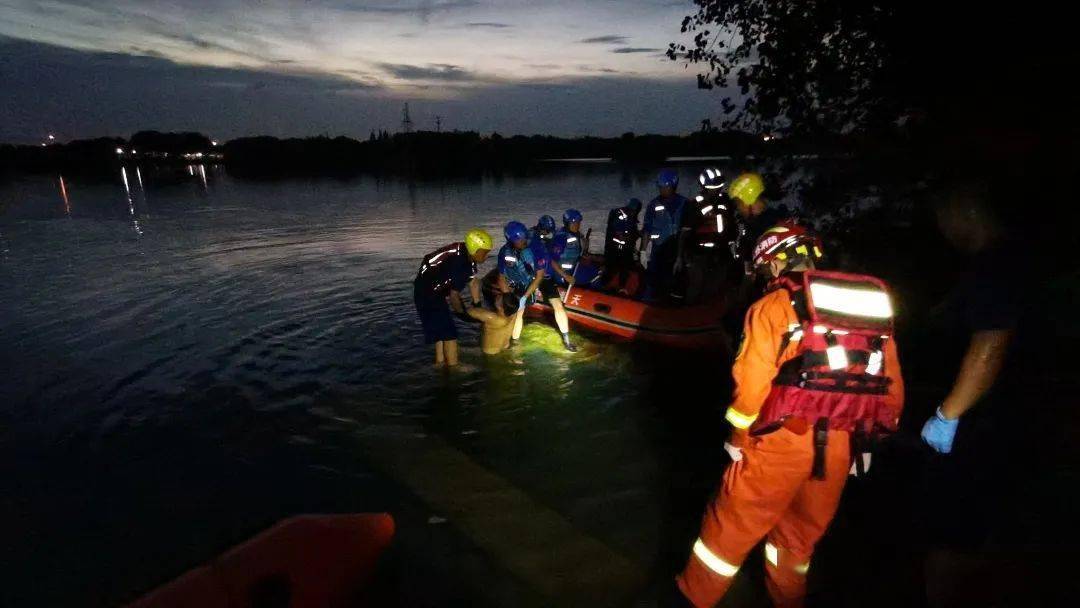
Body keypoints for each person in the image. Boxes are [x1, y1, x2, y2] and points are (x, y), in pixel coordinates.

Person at [677, 221, 905, 608]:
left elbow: (750, 389)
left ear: (773, 263)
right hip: (841, 447)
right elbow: (891, 390)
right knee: (796, 545)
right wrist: (866, 446)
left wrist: (737, 441)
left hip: (778, 444)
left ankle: (693, 600)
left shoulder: (770, 307)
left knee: (723, 539)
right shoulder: (867, 309)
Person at [917, 180, 1025, 606]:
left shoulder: (995, 266)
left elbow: (991, 343)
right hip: (1003, 419)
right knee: (985, 529)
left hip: (978, 424)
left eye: (946, 216)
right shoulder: (1007, 262)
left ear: (967, 212)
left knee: (951, 537)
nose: (943, 228)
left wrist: (947, 415)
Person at [413, 229, 493, 367]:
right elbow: (454, 296)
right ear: (474, 250)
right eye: (484, 252)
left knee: (441, 328)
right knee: (450, 332)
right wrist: (464, 315)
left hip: (436, 290)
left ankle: (439, 361)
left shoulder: (468, 257)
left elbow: (473, 282)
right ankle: (454, 366)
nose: (486, 257)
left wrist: (477, 305)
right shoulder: (459, 263)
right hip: (427, 292)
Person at [496, 221, 578, 352]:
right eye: (519, 240)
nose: (523, 241)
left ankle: (567, 340)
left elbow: (540, 276)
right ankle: (515, 343)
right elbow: (501, 276)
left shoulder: (536, 247)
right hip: (523, 279)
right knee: (519, 312)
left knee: (558, 305)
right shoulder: (504, 252)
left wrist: (525, 297)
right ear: (510, 240)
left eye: (524, 238)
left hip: (542, 277)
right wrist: (507, 295)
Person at [677, 168, 738, 304]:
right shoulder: (694, 205)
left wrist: (733, 245)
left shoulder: (726, 202)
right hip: (698, 253)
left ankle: (711, 314)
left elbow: (732, 226)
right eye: (714, 187)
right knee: (696, 285)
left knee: (716, 285)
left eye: (719, 187)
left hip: (721, 252)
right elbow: (685, 232)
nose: (717, 190)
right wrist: (680, 257)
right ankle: (689, 315)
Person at [641, 169, 690, 301]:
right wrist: (643, 251)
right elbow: (647, 229)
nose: (661, 189)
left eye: (664, 186)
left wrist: (683, 254)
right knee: (655, 279)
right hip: (659, 249)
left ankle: (675, 304)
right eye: (660, 186)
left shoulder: (685, 203)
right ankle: (653, 301)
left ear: (672, 185)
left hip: (678, 249)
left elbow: (689, 229)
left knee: (676, 279)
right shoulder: (653, 204)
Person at [603, 198, 644, 296]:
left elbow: (628, 234)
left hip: (616, 248)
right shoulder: (621, 216)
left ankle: (616, 287)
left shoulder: (621, 215)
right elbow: (621, 234)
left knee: (620, 268)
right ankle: (610, 288)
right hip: (616, 249)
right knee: (618, 268)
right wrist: (636, 235)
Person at [549, 209, 587, 287]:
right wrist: (565, 276)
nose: (577, 225)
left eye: (578, 222)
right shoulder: (561, 237)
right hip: (561, 274)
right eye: (574, 223)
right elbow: (552, 260)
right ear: (567, 223)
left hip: (574, 269)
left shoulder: (575, 233)